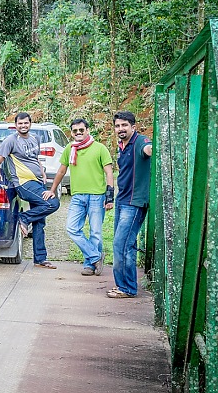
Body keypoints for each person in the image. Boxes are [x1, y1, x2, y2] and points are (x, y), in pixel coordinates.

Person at [0, 112, 60, 269]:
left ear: (30, 124)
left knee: (40, 222)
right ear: (16, 125)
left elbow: (35, 159)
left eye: (26, 123)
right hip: (23, 183)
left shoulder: (35, 138)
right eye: (20, 123)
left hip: (37, 182)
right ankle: (23, 217)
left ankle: (40, 259)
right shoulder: (10, 141)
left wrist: (42, 174)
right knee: (53, 204)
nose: (23, 126)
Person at [49, 119, 114, 276]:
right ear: (71, 132)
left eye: (81, 130)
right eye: (75, 131)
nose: (78, 133)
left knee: (96, 232)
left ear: (87, 130)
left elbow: (109, 173)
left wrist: (110, 196)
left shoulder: (100, 148)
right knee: (72, 228)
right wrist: (52, 189)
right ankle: (96, 257)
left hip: (97, 196)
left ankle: (90, 265)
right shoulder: (70, 149)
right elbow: (61, 171)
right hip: (77, 196)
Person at [108, 111, 152, 298]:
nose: (121, 129)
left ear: (133, 126)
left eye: (124, 125)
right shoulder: (122, 145)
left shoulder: (140, 141)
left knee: (121, 245)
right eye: (118, 126)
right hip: (122, 200)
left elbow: (149, 149)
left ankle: (127, 288)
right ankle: (123, 285)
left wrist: (153, 147)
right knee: (125, 244)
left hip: (134, 202)